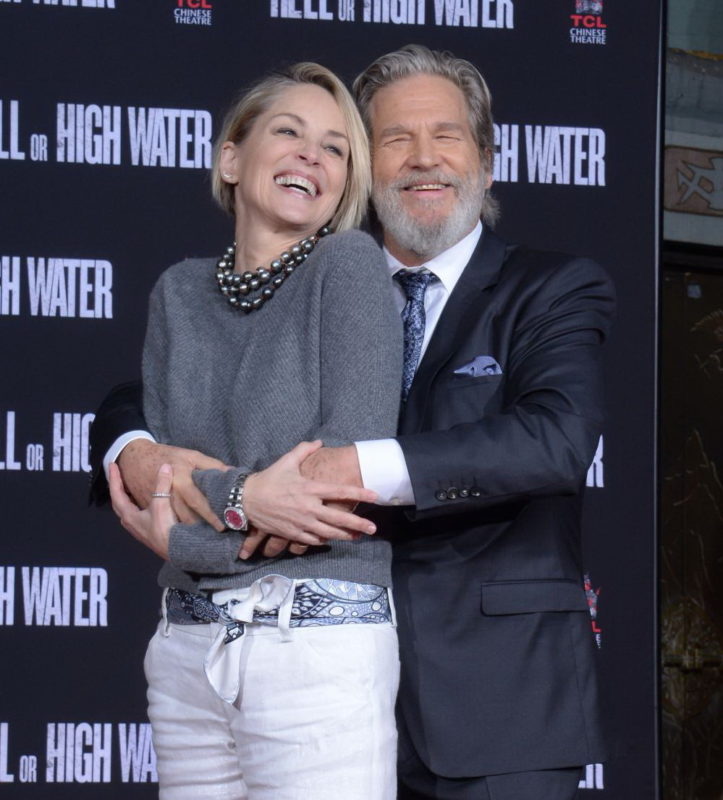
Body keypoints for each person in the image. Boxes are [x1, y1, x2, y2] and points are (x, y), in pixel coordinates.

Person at [92, 45, 614, 800]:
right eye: (395, 139)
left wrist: (340, 471)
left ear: (488, 162)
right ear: (368, 172)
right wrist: (135, 449)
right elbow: (145, 392)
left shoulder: (552, 287)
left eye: (447, 136)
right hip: (298, 668)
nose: (423, 159)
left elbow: (555, 440)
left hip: (489, 698)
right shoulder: (305, 283)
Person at [103, 62, 404, 800]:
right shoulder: (177, 291)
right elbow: (165, 482)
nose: (312, 155)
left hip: (314, 646)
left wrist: (182, 542)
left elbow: (335, 493)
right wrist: (245, 496)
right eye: (289, 132)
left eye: (336, 148)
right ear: (230, 159)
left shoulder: (349, 266)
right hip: (186, 650)